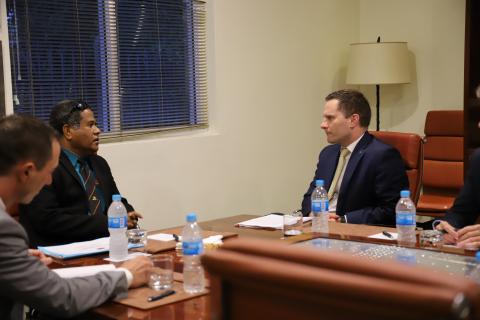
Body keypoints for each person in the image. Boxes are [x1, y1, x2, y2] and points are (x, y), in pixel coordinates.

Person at [0, 114, 152, 320]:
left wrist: (14, 256)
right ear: (27, 172)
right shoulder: (4, 229)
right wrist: (127, 275)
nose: (48, 182)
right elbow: (63, 297)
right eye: (49, 172)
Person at [19, 100, 142, 247]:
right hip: (63, 251)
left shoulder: (98, 163)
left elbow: (114, 199)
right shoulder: (47, 166)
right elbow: (47, 220)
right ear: (68, 131)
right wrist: (106, 223)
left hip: (105, 245)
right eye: (90, 125)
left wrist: (127, 212)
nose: (98, 130)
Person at [301, 89, 409, 226]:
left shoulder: (383, 156)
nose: (323, 125)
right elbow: (310, 196)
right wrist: (313, 214)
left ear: (353, 120)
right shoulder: (327, 154)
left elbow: (391, 210)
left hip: (351, 232)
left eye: (330, 118)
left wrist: (343, 220)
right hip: (317, 226)